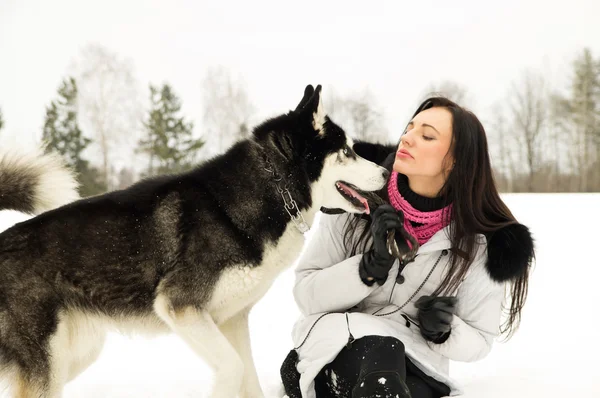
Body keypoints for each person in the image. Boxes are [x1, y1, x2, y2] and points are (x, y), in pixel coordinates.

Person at [280, 97, 535, 398]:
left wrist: (444, 330)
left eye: (426, 136)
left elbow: (480, 341)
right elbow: (306, 295)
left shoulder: (477, 244)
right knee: (382, 355)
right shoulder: (354, 205)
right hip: (333, 348)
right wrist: (365, 270)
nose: (406, 138)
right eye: (409, 128)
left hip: (414, 362)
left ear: (456, 160)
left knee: (398, 381)